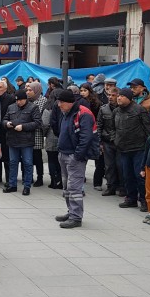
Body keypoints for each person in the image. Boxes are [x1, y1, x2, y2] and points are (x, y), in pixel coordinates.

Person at [54, 90, 94, 229]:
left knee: (74, 187)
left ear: (69, 102)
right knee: (66, 187)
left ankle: (76, 217)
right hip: (64, 153)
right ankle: (71, 212)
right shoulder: (67, 112)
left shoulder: (83, 114)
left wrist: (77, 155)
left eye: (61, 102)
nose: (59, 105)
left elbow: (86, 137)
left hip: (74, 156)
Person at [114, 88, 150, 210]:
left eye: (122, 96)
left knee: (139, 176)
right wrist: (115, 140)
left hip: (138, 148)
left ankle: (144, 200)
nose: (119, 98)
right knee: (127, 175)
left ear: (129, 98)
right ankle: (131, 199)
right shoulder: (116, 111)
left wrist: (149, 145)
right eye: (118, 96)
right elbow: (113, 129)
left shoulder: (139, 110)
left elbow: (148, 129)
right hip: (123, 148)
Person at [2, 90, 41, 195]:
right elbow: (4, 119)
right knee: (13, 163)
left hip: (26, 141)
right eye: (17, 100)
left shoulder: (33, 107)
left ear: (25, 99)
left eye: (20, 100)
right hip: (12, 140)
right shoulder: (11, 107)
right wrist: (7, 124)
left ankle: (27, 186)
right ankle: (12, 185)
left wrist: (23, 127)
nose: (18, 102)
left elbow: (37, 122)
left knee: (28, 163)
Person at [0, 79, 16, 185]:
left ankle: (9, 179)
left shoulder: (10, 99)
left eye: (0, 87)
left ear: (5, 89)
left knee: (7, 157)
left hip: (6, 131)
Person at [25, 82, 47, 186]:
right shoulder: (27, 101)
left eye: (30, 90)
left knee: (37, 157)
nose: (28, 92)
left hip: (37, 132)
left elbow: (42, 119)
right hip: (26, 132)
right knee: (27, 157)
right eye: (27, 90)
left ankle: (40, 177)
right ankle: (29, 177)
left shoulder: (43, 101)